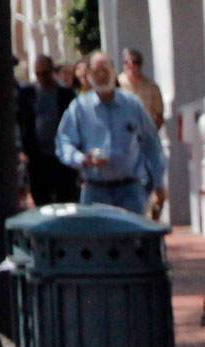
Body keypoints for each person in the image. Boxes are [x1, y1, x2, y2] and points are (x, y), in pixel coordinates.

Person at [55, 51, 165, 216]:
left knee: (132, 240)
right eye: (97, 71)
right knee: (96, 240)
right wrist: (83, 159)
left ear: (114, 72)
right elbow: (64, 141)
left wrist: (158, 182)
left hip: (130, 191)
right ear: (89, 75)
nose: (102, 75)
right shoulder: (80, 107)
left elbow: (152, 144)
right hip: (95, 190)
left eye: (106, 70)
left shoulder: (132, 105)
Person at [20, 52, 77, 207]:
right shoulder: (27, 94)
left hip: (60, 155)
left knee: (63, 198)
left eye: (44, 73)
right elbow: (22, 122)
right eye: (37, 74)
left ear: (52, 71)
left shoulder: (65, 93)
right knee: (41, 198)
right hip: (37, 156)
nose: (41, 78)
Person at [119, 49, 168, 219]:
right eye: (128, 62)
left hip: (146, 144)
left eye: (136, 61)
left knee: (155, 185)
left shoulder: (152, 87)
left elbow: (160, 115)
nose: (132, 65)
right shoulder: (117, 86)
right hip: (124, 144)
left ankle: (152, 221)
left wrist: (150, 134)